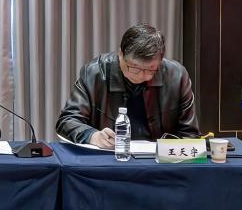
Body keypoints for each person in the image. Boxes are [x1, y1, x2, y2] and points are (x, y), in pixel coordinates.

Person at [56, 24, 200, 146]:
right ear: (120, 54)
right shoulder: (95, 73)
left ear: (160, 62)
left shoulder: (176, 75)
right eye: (135, 68)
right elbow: (67, 121)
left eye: (150, 70)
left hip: (159, 161)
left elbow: (190, 134)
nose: (141, 75)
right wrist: (92, 136)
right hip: (108, 158)